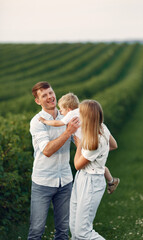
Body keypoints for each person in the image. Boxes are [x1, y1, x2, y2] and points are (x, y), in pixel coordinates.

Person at [39, 93, 120, 194]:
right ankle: (111, 181)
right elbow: (114, 145)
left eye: (62, 109)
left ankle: (112, 181)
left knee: (93, 165)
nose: (60, 111)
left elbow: (58, 123)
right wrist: (97, 153)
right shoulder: (90, 118)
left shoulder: (71, 114)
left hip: (86, 145)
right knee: (99, 166)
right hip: (90, 145)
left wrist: (45, 121)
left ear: (68, 109)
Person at [28, 82, 79, 240]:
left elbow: (80, 143)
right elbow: (47, 151)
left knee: (63, 231)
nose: (50, 97)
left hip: (65, 181)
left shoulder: (67, 117)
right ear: (38, 101)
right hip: (42, 182)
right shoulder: (37, 122)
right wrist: (68, 132)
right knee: (36, 230)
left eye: (51, 93)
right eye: (44, 95)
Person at [69, 100, 118, 239]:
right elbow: (113, 145)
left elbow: (77, 164)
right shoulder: (102, 127)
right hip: (82, 178)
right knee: (73, 227)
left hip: (91, 181)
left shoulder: (94, 141)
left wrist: (80, 145)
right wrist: (100, 154)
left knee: (82, 232)